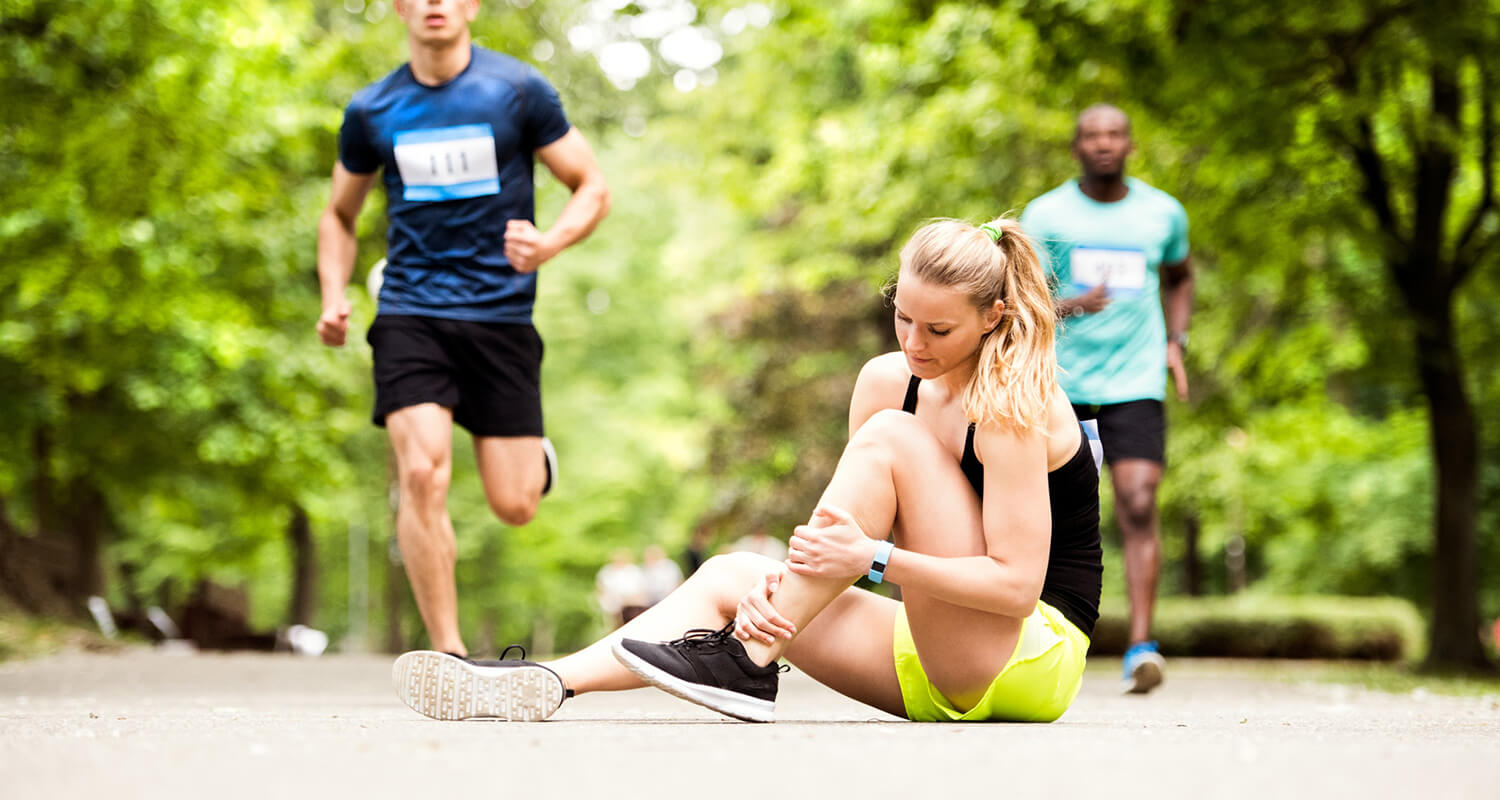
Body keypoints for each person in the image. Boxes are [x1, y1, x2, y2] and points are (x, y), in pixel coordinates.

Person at [390, 218, 1102, 724]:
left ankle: (748, 656)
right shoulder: (892, 381)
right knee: (732, 577)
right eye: (902, 317)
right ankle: (544, 682)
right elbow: (848, 544)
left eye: (937, 330)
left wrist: (873, 560)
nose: (913, 343)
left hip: (1024, 658)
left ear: (994, 316)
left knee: (889, 439)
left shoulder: (1014, 402)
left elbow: (1012, 588)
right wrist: (792, 593)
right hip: (934, 649)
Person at [315, 0, 610, 658]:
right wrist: (334, 296)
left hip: (500, 316)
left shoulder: (518, 91)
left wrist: (550, 242)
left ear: (471, 5)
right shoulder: (372, 109)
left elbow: (590, 185)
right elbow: (339, 215)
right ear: (400, 7)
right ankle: (447, 653)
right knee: (422, 474)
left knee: (516, 503)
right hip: (409, 309)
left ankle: (534, 460)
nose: (435, 4)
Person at [1019, 103, 1193, 694]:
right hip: (1060, 384)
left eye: (1114, 134)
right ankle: (1036, 635)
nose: (1103, 144)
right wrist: (1072, 305)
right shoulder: (1047, 216)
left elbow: (1181, 274)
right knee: (1048, 512)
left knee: (1139, 501)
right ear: (1075, 148)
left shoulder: (1162, 213)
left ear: (1130, 146)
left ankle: (1142, 646)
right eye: (1091, 135)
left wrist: (1176, 341)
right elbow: (1021, 300)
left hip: (1136, 380)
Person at [595, 549, 647, 628]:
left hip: (632, 603)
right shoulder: (607, 571)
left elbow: (641, 588)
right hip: (613, 603)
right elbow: (601, 588)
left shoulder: (633, 570)